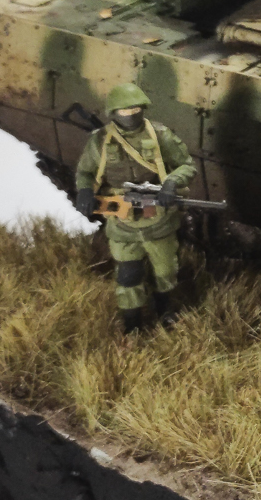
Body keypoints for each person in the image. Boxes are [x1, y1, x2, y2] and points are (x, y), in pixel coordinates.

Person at [74, 84, 197, 333]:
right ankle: (132, 324)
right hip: (122, 222)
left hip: (158, 220)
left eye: (136, 110)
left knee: (165, 271)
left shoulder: (159, 135)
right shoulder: (100, 141)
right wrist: (85, 190)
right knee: (128, 275)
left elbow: (186, 165)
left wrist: (171, 183)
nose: (131, 115)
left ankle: (165, 310)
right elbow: (85, 172)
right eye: (124, 111)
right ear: (113, 113)